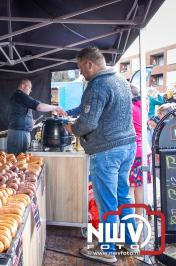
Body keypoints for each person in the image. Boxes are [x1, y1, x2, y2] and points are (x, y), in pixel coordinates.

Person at [64, 47, 137, 263]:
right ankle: (129, 242)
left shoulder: (97, 85)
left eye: (80, 68)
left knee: (107, 202)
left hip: (107, 151)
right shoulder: (122, 81)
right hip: (128, 147)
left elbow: (88, 123)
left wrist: (71, 128)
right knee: (123, 197)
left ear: (89, 64)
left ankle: (107, 249)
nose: (81, 73)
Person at [7, 79, 66, 155]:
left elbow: (18, 115)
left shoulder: (17, 96)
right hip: (19, 134)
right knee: (18, 160)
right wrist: (56, 108)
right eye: (29, 87)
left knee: (19, 160)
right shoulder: (20, 95)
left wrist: (30, 121)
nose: (30, 90)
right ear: (23, 86)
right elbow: (39, 107)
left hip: (18, 132)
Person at [128, 84, 151, 217]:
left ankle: (130, 221)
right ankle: (139, 219)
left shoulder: (130, 108)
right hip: (143, 152)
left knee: (130, 187)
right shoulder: (142, 107)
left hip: (133, 151)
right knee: (140, 187)